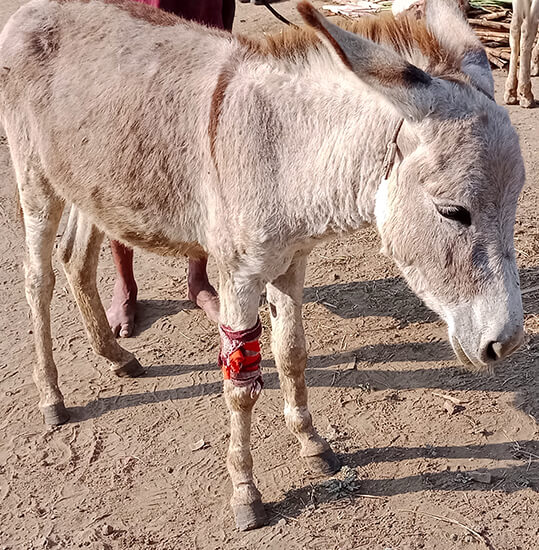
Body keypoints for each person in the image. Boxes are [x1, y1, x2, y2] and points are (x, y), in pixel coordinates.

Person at [107, 0, 235, 337]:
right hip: (137, 30)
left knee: (203, 151)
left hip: (203, 20)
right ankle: (125, 286)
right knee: (123, 155)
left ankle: (198, 278)